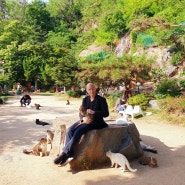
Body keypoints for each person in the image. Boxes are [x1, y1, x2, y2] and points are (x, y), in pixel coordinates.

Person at [54, 83, 109, 166]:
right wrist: (83, 119)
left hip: (97, 122)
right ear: (86, 90)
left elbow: (106, 114)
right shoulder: (85, 99)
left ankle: (64, 154)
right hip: (85, 120)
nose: (91, 91)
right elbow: (81, 112)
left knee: (78, 131)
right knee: (70, 130)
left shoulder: (101, 100)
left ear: (95, 89)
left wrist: (94, 112)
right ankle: (70, 154)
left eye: (93, 89)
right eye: (89, 89)